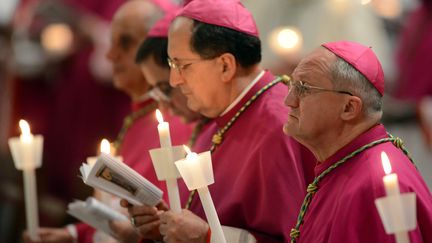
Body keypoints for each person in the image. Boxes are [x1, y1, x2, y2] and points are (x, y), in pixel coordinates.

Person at [126, 0, 315, 242]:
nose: (174, 80)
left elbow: (296, 237)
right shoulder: (220, 116)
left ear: (225, 66)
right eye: (172, 65)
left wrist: (207, 236)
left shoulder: (280, 127)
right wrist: (164, 225)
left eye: (181, 65)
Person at [23, 1, 193, 243]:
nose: (110, 54)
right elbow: (119, 213)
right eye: (111, 42)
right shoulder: (137, 118)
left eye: (125, 43)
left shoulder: (176, 123)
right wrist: (72, 234)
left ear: (159, 49)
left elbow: (167, 222)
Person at [283, 40, 432, 243]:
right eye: (292, 84)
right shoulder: (341, 161)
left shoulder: (376, 186)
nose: (288, 100)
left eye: (304, 88)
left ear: (349, 108)